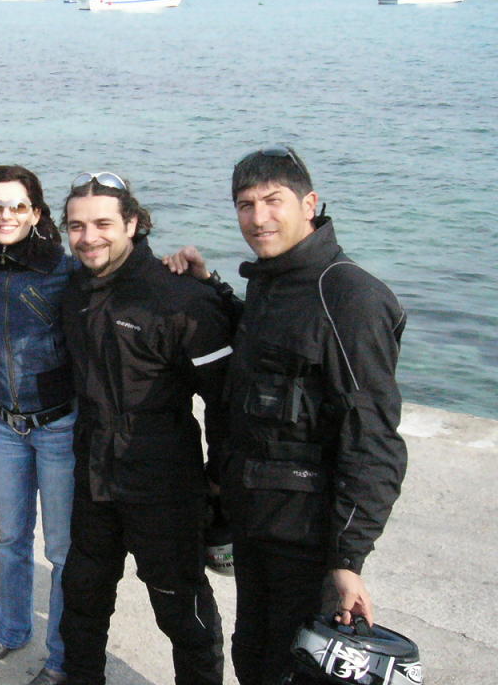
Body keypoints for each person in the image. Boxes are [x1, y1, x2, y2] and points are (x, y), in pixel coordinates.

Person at [163, 145, 407, 685]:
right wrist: (210, 286)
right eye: (245, 205)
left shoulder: (350, 298)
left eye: (273, 200)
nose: (258, 218)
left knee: (292, 668)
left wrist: (347, 560)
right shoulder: (274, 281)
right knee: (253, 655)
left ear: (309, 204)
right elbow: (271, 350)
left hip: (308, 535)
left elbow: (373, 439)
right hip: (257, 520)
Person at [59, 173, 232, 685]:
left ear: (132, 223)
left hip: (163, 481)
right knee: (83, 594)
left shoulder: (178, 297)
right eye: (76, 226)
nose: (88, 237)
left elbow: (225, 401)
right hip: (93, 472)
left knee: (181, 609)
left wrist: (219, 484)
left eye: (103, 224)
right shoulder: (74, 289)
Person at [0, 165, 77, 685]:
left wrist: (182, 268)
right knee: (11, 537)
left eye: (17, 206)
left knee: (61, 550)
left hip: (58, 426)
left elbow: (122, 281)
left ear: (36, 214)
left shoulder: (65, 270)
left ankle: (61, 657)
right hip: (5, 423)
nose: (5, 216)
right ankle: (11, 630)